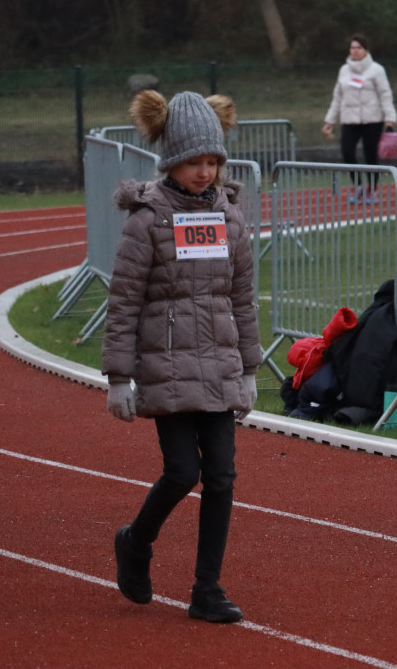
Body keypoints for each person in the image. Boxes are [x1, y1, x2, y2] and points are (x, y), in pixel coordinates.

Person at [102, 89, 261, 624]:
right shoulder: (147, 220)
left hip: (218, 366)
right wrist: (119, 377)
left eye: (213, 161)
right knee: (180, 473)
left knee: (221, 476)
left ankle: (207, 589)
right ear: (172, 160)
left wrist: (251, 366)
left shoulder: (229, 217)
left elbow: (242, 297)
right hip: (166, 366)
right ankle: (135, 542)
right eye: (195, 161)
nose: (205, 171)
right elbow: (124, 299)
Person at [321, 34, 397, 204]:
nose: (355, 51)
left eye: (358, 48)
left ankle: (372, 190)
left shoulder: (376, 70)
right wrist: (330, 121)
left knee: (370, 155)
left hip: (372, 119)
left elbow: (385, 94)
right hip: (350, 120)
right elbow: (337, 97)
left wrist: (389, 118)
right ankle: (359, 185)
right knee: (347, 152)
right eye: (352, 48)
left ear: (366, 50)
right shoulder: (344, 70)